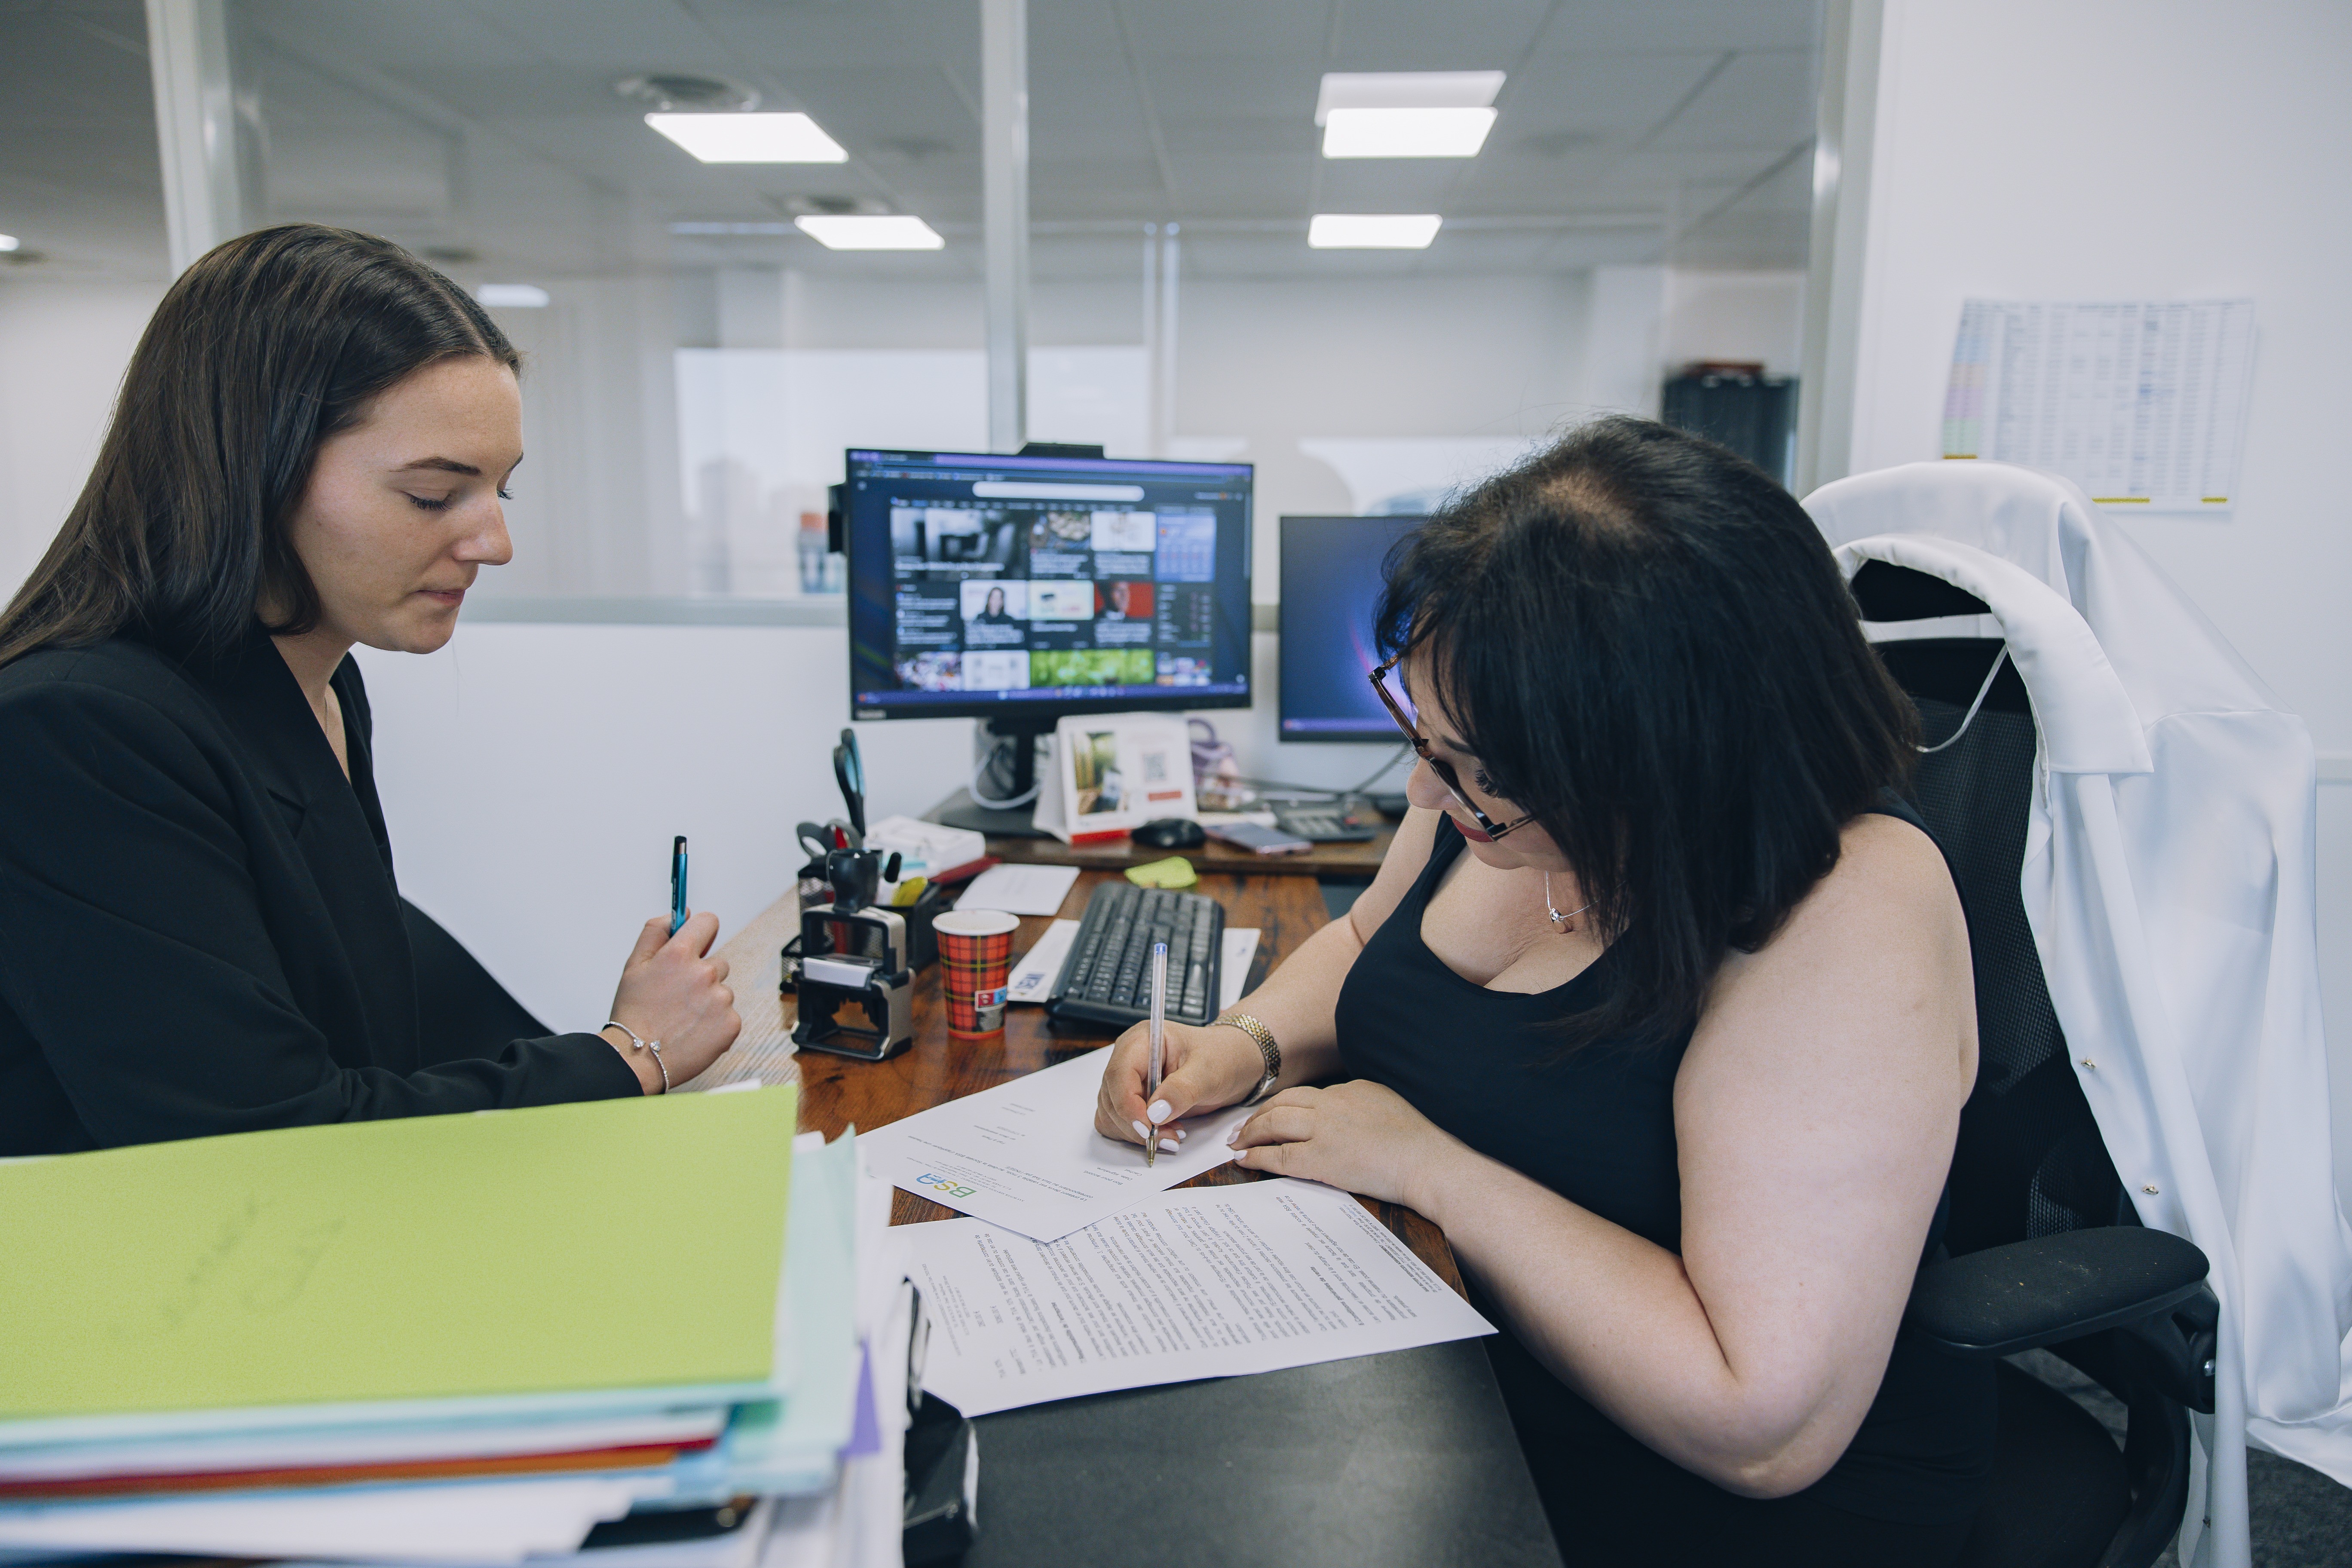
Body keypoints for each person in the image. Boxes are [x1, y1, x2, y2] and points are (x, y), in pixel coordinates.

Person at [1093, 418, 1994, 1565]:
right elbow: (1367, 939)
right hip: (1441, 1379)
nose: (1430, 789)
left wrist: (1430, 1168)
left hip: (1689, 1505)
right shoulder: (1493, 794)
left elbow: (1761, 1422)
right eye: (1429, 738)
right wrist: (1244, 1043)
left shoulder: (1846, 911)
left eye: (1477, 770)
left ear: (1656, 756)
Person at [0, 224, 740, 1157]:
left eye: (500, 492)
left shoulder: (319, 681)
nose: (494, 544)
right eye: (433, 495)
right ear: (255, 471)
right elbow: (263, 1139)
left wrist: (626, 1044)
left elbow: (360, 1005)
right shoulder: (73, 730)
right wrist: (627, 1057)